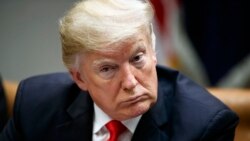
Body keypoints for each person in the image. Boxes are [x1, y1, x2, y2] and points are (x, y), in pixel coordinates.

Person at [0, 0, 239, 141]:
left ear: (153, 51)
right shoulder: (34, 104)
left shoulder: (205, 126)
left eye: (137, 58)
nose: (130, 82)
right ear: (79, 77)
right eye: (107, 68)